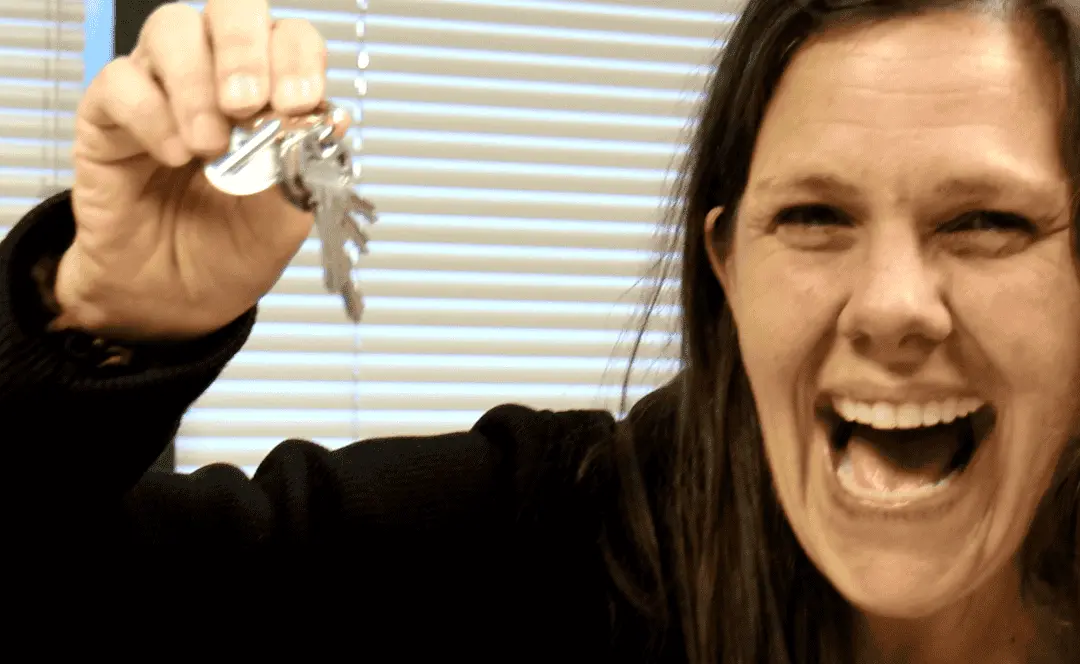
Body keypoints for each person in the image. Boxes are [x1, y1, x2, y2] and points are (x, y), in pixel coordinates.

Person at [3, 0, 1078, 661]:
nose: (893, 305)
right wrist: (103, 321)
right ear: (729, 267)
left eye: (986, 221)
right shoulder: (556, 546)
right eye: (813, 217)